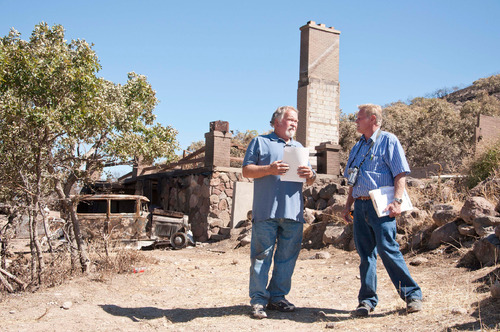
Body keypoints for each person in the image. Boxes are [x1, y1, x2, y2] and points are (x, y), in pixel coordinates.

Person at [342, 104, 422, 317]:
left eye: (359, 118)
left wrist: (397, 201)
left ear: (373, 119)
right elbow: (353, 178)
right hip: (360, 205)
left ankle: (412, 295)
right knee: (365, 255)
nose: (356, 121)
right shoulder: (357, 146)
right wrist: (347, 204)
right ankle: (366, 302)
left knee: (388, 249)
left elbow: (400, 174)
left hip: (382, 205)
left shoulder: (389, 140)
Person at [242, 106, 316, 319]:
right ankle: (258, 301)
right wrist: (269, 169)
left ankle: (278, 298)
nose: (294, 124)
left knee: (287, 258)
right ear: (276, 121)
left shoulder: (299, 147)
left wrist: (309, 174)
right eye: (291, 120)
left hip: (293, 213)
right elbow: (246, 170)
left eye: (297, 121)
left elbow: (310, 179)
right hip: (266, 211)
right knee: (260, 257)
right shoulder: (260, 142)